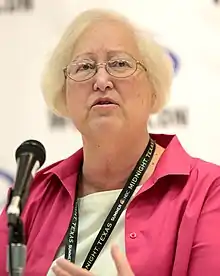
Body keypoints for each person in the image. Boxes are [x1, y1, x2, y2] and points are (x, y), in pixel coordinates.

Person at [1, 8, 220, 276]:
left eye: (120, 64)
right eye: (84, 67)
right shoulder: (31, 198)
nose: (102, 81)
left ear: (153, 88)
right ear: (64, 94)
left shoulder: (209, 191)